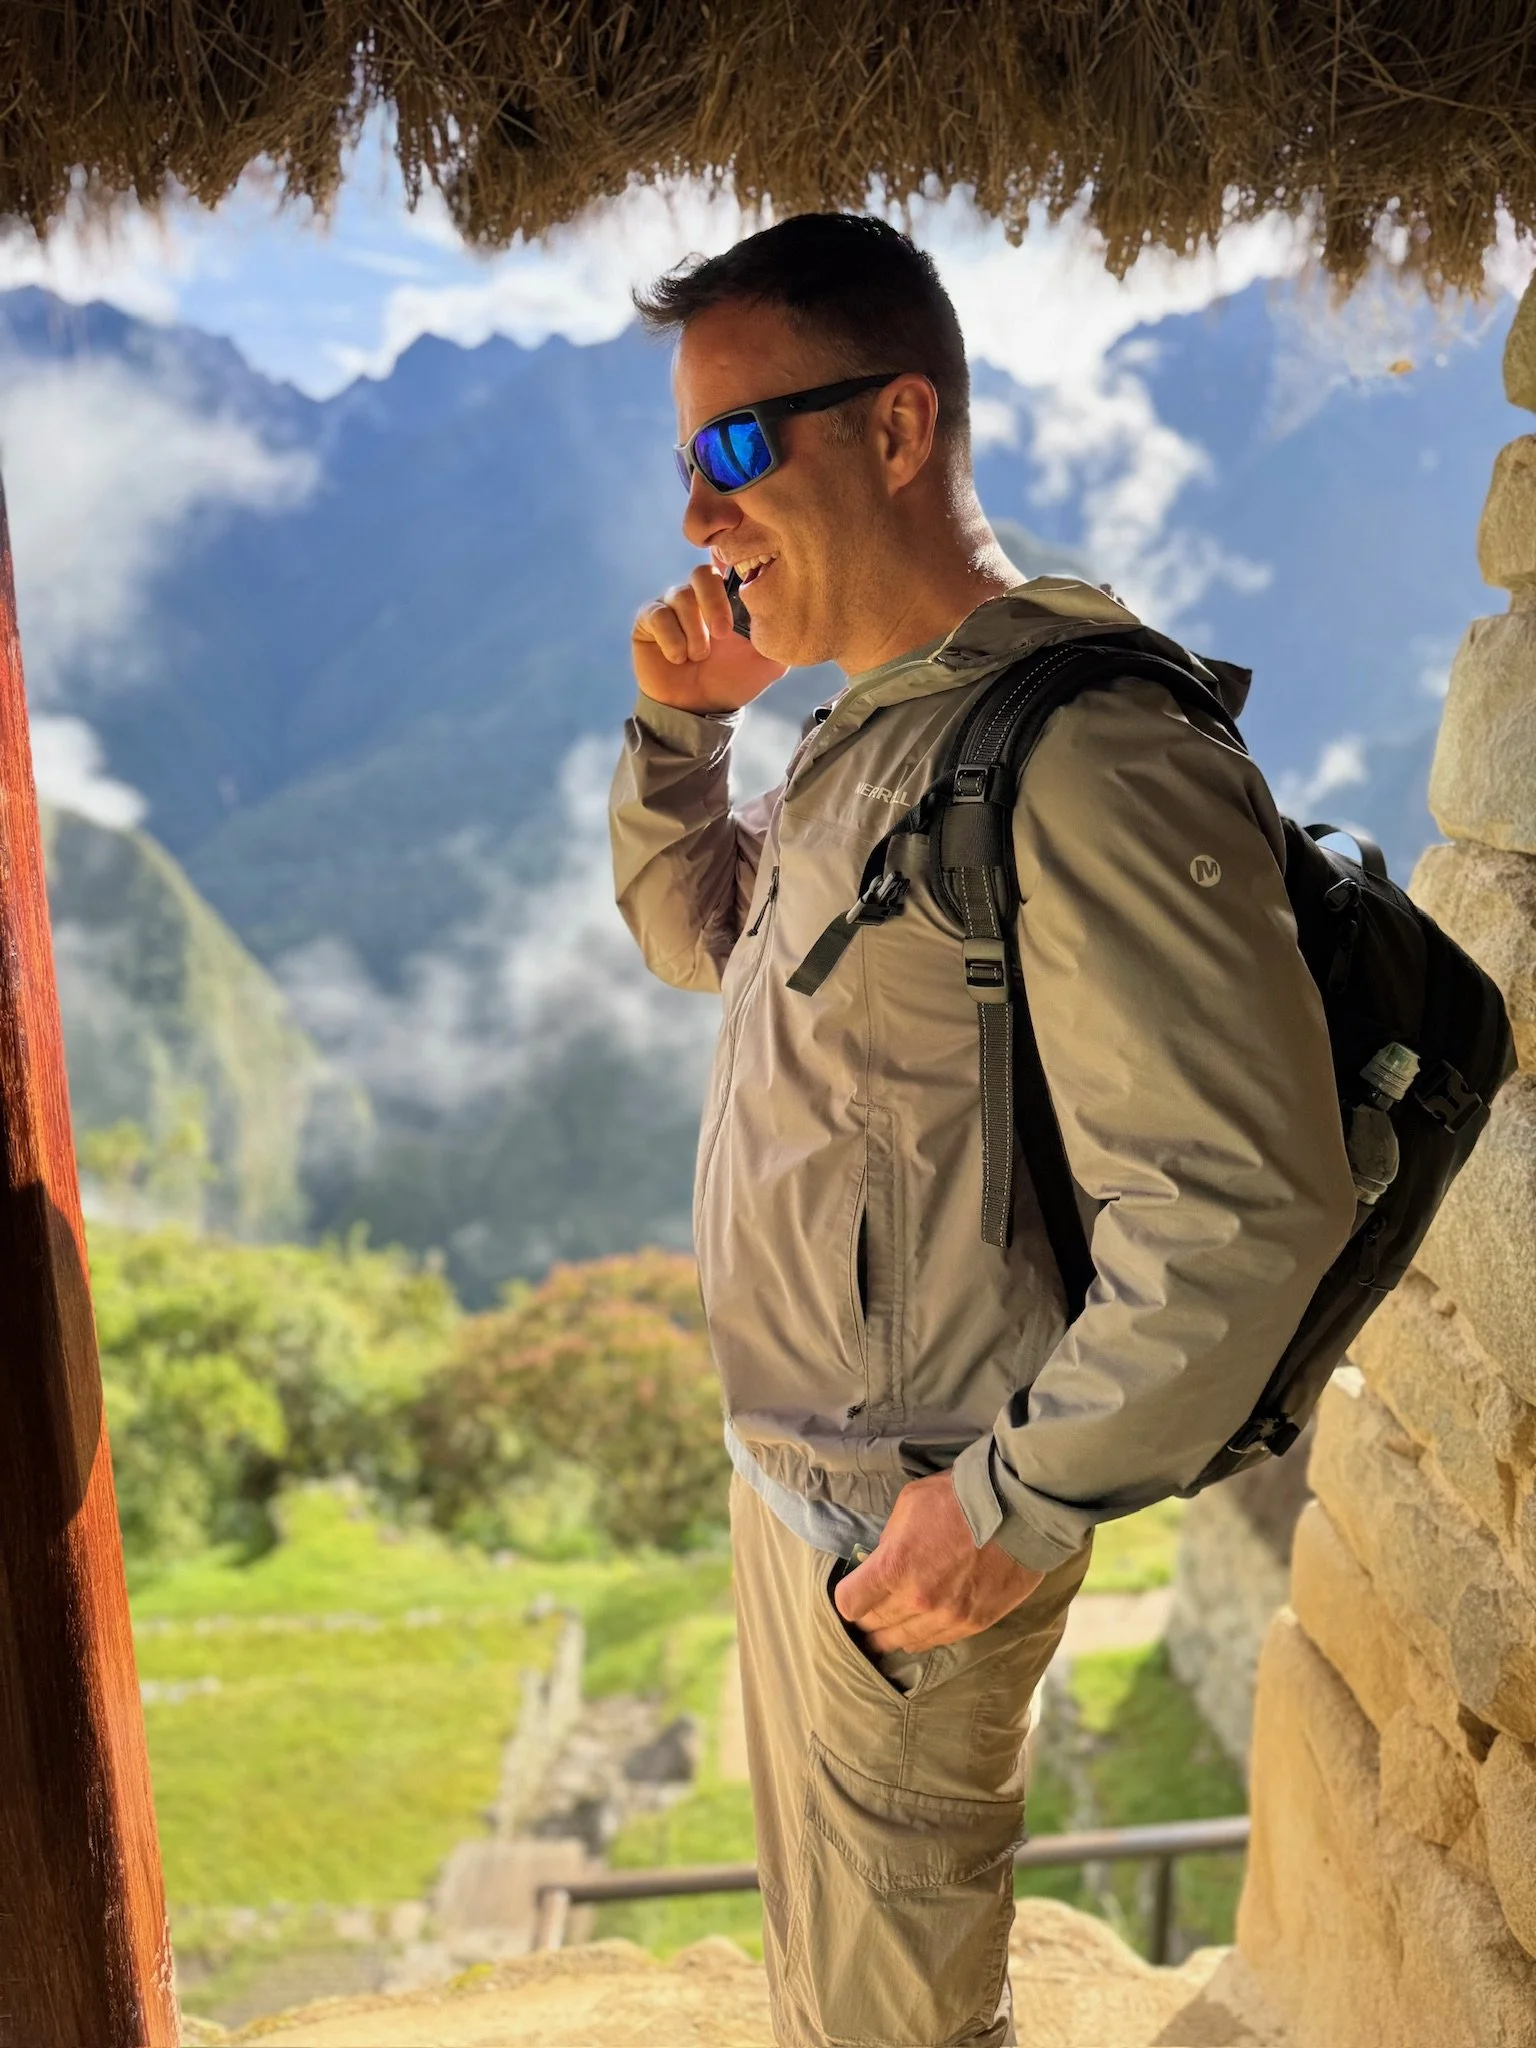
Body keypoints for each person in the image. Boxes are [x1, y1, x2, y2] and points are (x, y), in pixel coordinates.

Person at [608, 212, 1355, 2048]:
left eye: (733, 449)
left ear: (899, 424)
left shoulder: (1083, 746)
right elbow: (694, 938)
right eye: (683, 462)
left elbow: (1251, 1211)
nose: (700, 515)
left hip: (916, 1524)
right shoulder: (879, 731)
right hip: (807, 1495)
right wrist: (678, 734)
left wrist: (1006, 1513)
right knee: (837, 2004)